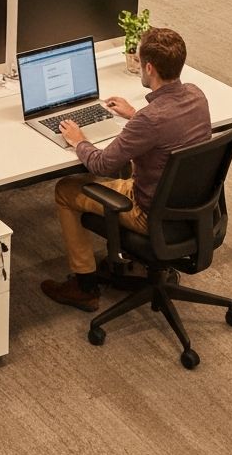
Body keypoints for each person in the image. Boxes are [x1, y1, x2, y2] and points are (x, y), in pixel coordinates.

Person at [41, 27, 212, 312]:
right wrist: (134, 114)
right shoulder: (197, 95)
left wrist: (79, 140)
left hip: (151, 214)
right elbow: (167, 128)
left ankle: (83, 287)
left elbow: (102, 164)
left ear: (149, 68)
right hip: (194, 206)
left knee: (65, 189)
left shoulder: (149, 120)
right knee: (127, 167)